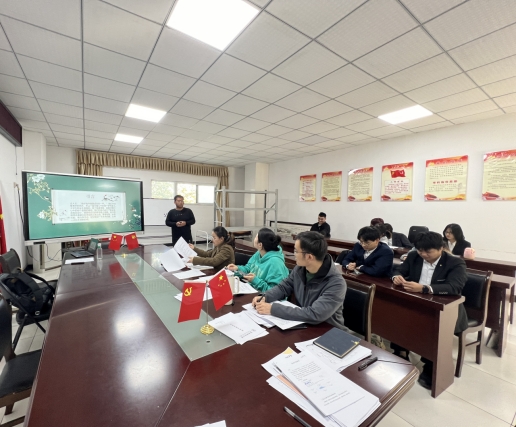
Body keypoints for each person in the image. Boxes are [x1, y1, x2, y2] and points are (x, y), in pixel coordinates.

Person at [392, 231, 468, 389]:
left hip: (444, 308)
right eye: (420, 250)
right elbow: (399, 270)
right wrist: (396, 277)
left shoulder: (455, 263)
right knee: (397, 315)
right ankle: (401, 352)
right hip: (415, 301)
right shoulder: (414, 256)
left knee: (430, 327)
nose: (423, 254)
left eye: (428, 251)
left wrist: (424, 288)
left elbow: (455, 287)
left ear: (441, 248)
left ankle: (430, 364)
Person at [252, 231, 347, 329]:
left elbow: (314, 314)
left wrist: (273, 309)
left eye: (296, 251)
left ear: (309, 257)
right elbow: (283, 287)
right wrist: (265, 296)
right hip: (304, 325)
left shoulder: (336, 283)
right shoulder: (300, 269)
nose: (294, 254)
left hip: (329, 331)